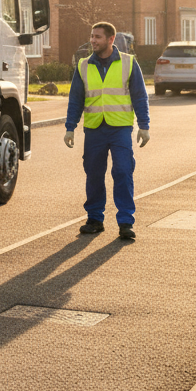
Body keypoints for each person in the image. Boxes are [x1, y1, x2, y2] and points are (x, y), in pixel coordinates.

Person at [64, 22, 151, 241]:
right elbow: (76, 98)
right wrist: (70, 127)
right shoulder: (83, 65)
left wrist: (144, 125)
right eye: (92, 36)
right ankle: (95, 219)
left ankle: (125, 222)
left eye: (98, 37)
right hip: (94, 129)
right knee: (93, 174)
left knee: (122, 171)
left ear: (111, 40)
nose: (93, 40)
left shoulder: (129, 63)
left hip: (120, 128)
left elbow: (140, 96)